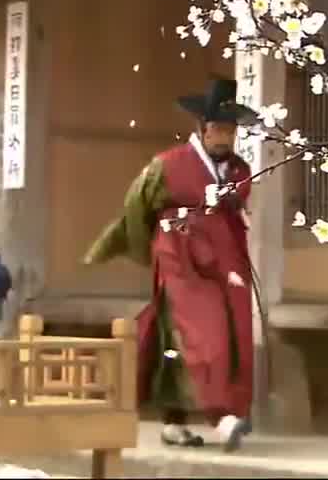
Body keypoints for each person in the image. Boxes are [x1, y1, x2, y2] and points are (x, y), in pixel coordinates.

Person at [83, 76, 259, 452]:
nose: (224, 138)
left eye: (230, 131)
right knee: (203, 331)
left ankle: (174, 420)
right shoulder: (167, 165)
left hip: (224, 259)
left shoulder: (238, 170)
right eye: (218, 130)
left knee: (208, 336)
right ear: (202, 128)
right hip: (179, 257)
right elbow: (136, 208)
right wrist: (152, 248)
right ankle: (221, 416)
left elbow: (237, 211)